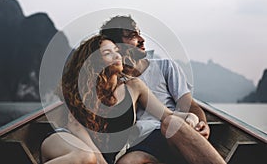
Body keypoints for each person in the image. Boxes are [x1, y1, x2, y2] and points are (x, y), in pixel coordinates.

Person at [40, 35, 214, 164]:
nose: (117, 56)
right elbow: (76, 127)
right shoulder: (85, 89)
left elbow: (167, 115)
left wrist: (191, 117)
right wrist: (101, 162)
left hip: (108, 159)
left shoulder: (135, 87)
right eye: (108, 53)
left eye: (117, 51)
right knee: (87, 157)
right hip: (68, 142)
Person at [100, 15, 215, 163]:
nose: (142, 39)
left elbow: (190, 105)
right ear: (117, 46)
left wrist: (203, 124)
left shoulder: (165, 67)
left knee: (171, 123)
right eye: (132, 36)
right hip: (141, 143)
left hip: (174, 134)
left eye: (139, 33)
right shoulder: (113, 80)